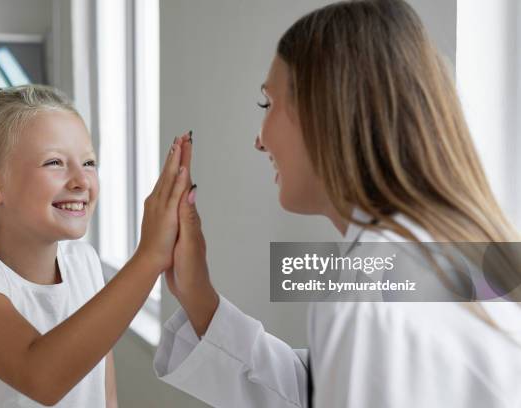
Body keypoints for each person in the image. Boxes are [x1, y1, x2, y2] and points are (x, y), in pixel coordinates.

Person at [153, 0, 521, 407]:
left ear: (326, 112)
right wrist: (200, 297)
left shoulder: (370, 295)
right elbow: (319, 390)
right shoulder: (460, 254)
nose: (259, 139)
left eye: (268, 104)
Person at [0, 85, 193, 407]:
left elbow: (104, 396)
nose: (81, 181)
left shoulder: (84, 263)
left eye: (89, 163)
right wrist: (149, 258)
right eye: (54, 163)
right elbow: (40, 377)